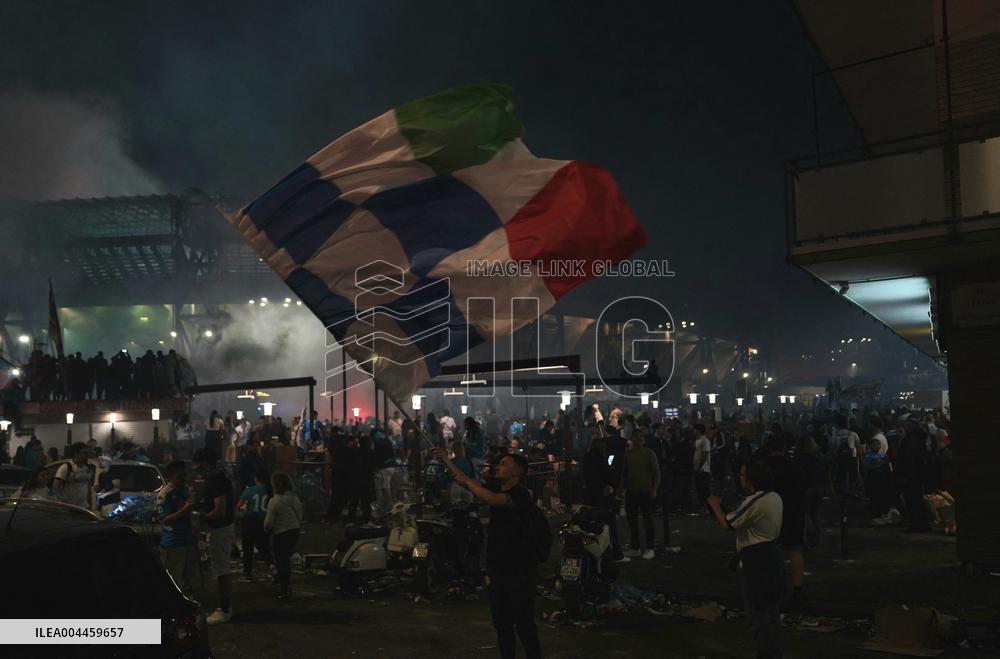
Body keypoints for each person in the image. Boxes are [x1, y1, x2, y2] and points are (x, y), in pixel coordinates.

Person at [434, 448, 542, 659]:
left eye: (505, 464)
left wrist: (469, 481)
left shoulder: (521, 494)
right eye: (499, 463)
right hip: (498, 568)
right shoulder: (496, 486)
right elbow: (464, 481)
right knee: (502, 624)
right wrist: (446, 459)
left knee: (524, 624)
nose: (499, 466)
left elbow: (494, 499)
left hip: (520, 569)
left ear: (518, 472)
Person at [708, 461, 784, 659]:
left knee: (758, 614)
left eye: (743, 475)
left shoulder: (756, 499)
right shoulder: (774, 497)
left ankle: (766, 654)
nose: (740, 478)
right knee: (770, 612)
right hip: (772, 556)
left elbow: (728, 523)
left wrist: (715, 505)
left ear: (752, 478)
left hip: (756, 561)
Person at [191, 448, 236, 624]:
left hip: (220, 528)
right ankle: (225, 607)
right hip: (224, 527)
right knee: (221, 568)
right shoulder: (221, 474)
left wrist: (201, 517)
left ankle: (225, 609)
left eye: (197, 464)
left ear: (204, 462)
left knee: (221, 569)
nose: (196, 468)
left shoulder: (215, 478)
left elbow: (220, 510)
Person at [156, 461, 198, 594]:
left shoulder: (185, 490)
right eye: (180, 476)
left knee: (190, 582)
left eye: (184, 475)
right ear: (170, 476)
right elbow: (165, 520)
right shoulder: (164, 494)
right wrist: (186, 508)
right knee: (174, 583)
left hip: (188, 540)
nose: (183, 478)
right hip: (173, 543)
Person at [265, 471, 303, 600]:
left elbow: (268, 522)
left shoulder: (274, 501)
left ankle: (284, 588)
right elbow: (300, 515)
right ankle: (285, 585)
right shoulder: (295, 498)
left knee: (281, 560)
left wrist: (267, 529)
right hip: (294, 530)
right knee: (285, 558)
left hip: (281, 532)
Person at [622, 430, 660, 560]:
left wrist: (654, 488)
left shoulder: (649, 453)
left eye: (640, 438)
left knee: (647, 520)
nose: (638, 440)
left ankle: (649, 547)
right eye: (636, 438)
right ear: (632, 439)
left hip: (645, 491)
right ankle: (635, 547)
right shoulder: (628, 454)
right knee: (632, 521)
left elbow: (656, 473)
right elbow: (624, 473)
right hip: (632, 491)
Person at [238, 467, 274, 582]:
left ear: (256, 478)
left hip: (250, 520)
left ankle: (247, 572)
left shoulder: (249, 490)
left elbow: (239, 505)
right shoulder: (270, 490)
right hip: (264, 520)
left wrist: (245, 508)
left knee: (247, 547)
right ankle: (272, 567)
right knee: (264, 547)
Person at [52, 442, 92, 509]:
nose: (87, 455)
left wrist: (90, 503)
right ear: (76, 454)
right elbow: (56, 487)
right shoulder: (66, 467)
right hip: (70, 508)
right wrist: (61, 502)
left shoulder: (88, 468)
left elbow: (88, 486)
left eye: (87, 453)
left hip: (84, 507)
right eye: (84, 453)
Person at [692, 424, 712, 512]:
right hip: (697, 469)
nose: (693, 432)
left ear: (699, 430)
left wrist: (699, 467)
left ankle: (707, 507)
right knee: (699, 489)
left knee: (704, 489)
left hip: (703, 470)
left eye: (694, 430)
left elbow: (705, 455)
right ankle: (702, 506)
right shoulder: (697, 440)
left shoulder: (705, 441)